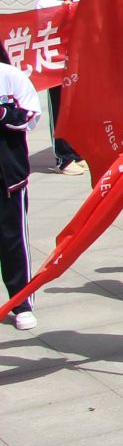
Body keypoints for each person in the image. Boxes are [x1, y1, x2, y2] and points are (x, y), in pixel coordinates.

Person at [0, 53, 40, 330]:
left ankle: (22, 303)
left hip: (7, 178)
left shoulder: (9, 76)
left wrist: (3, 113)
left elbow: (31, 116)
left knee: (12, 241)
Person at [35, 0, 84, 175]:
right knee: (60, 109)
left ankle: (77, 152)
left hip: (77, 63)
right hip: (55, 65)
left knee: (77, 109)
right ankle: (62, 159)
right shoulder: (44, 4)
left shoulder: (78, 0)